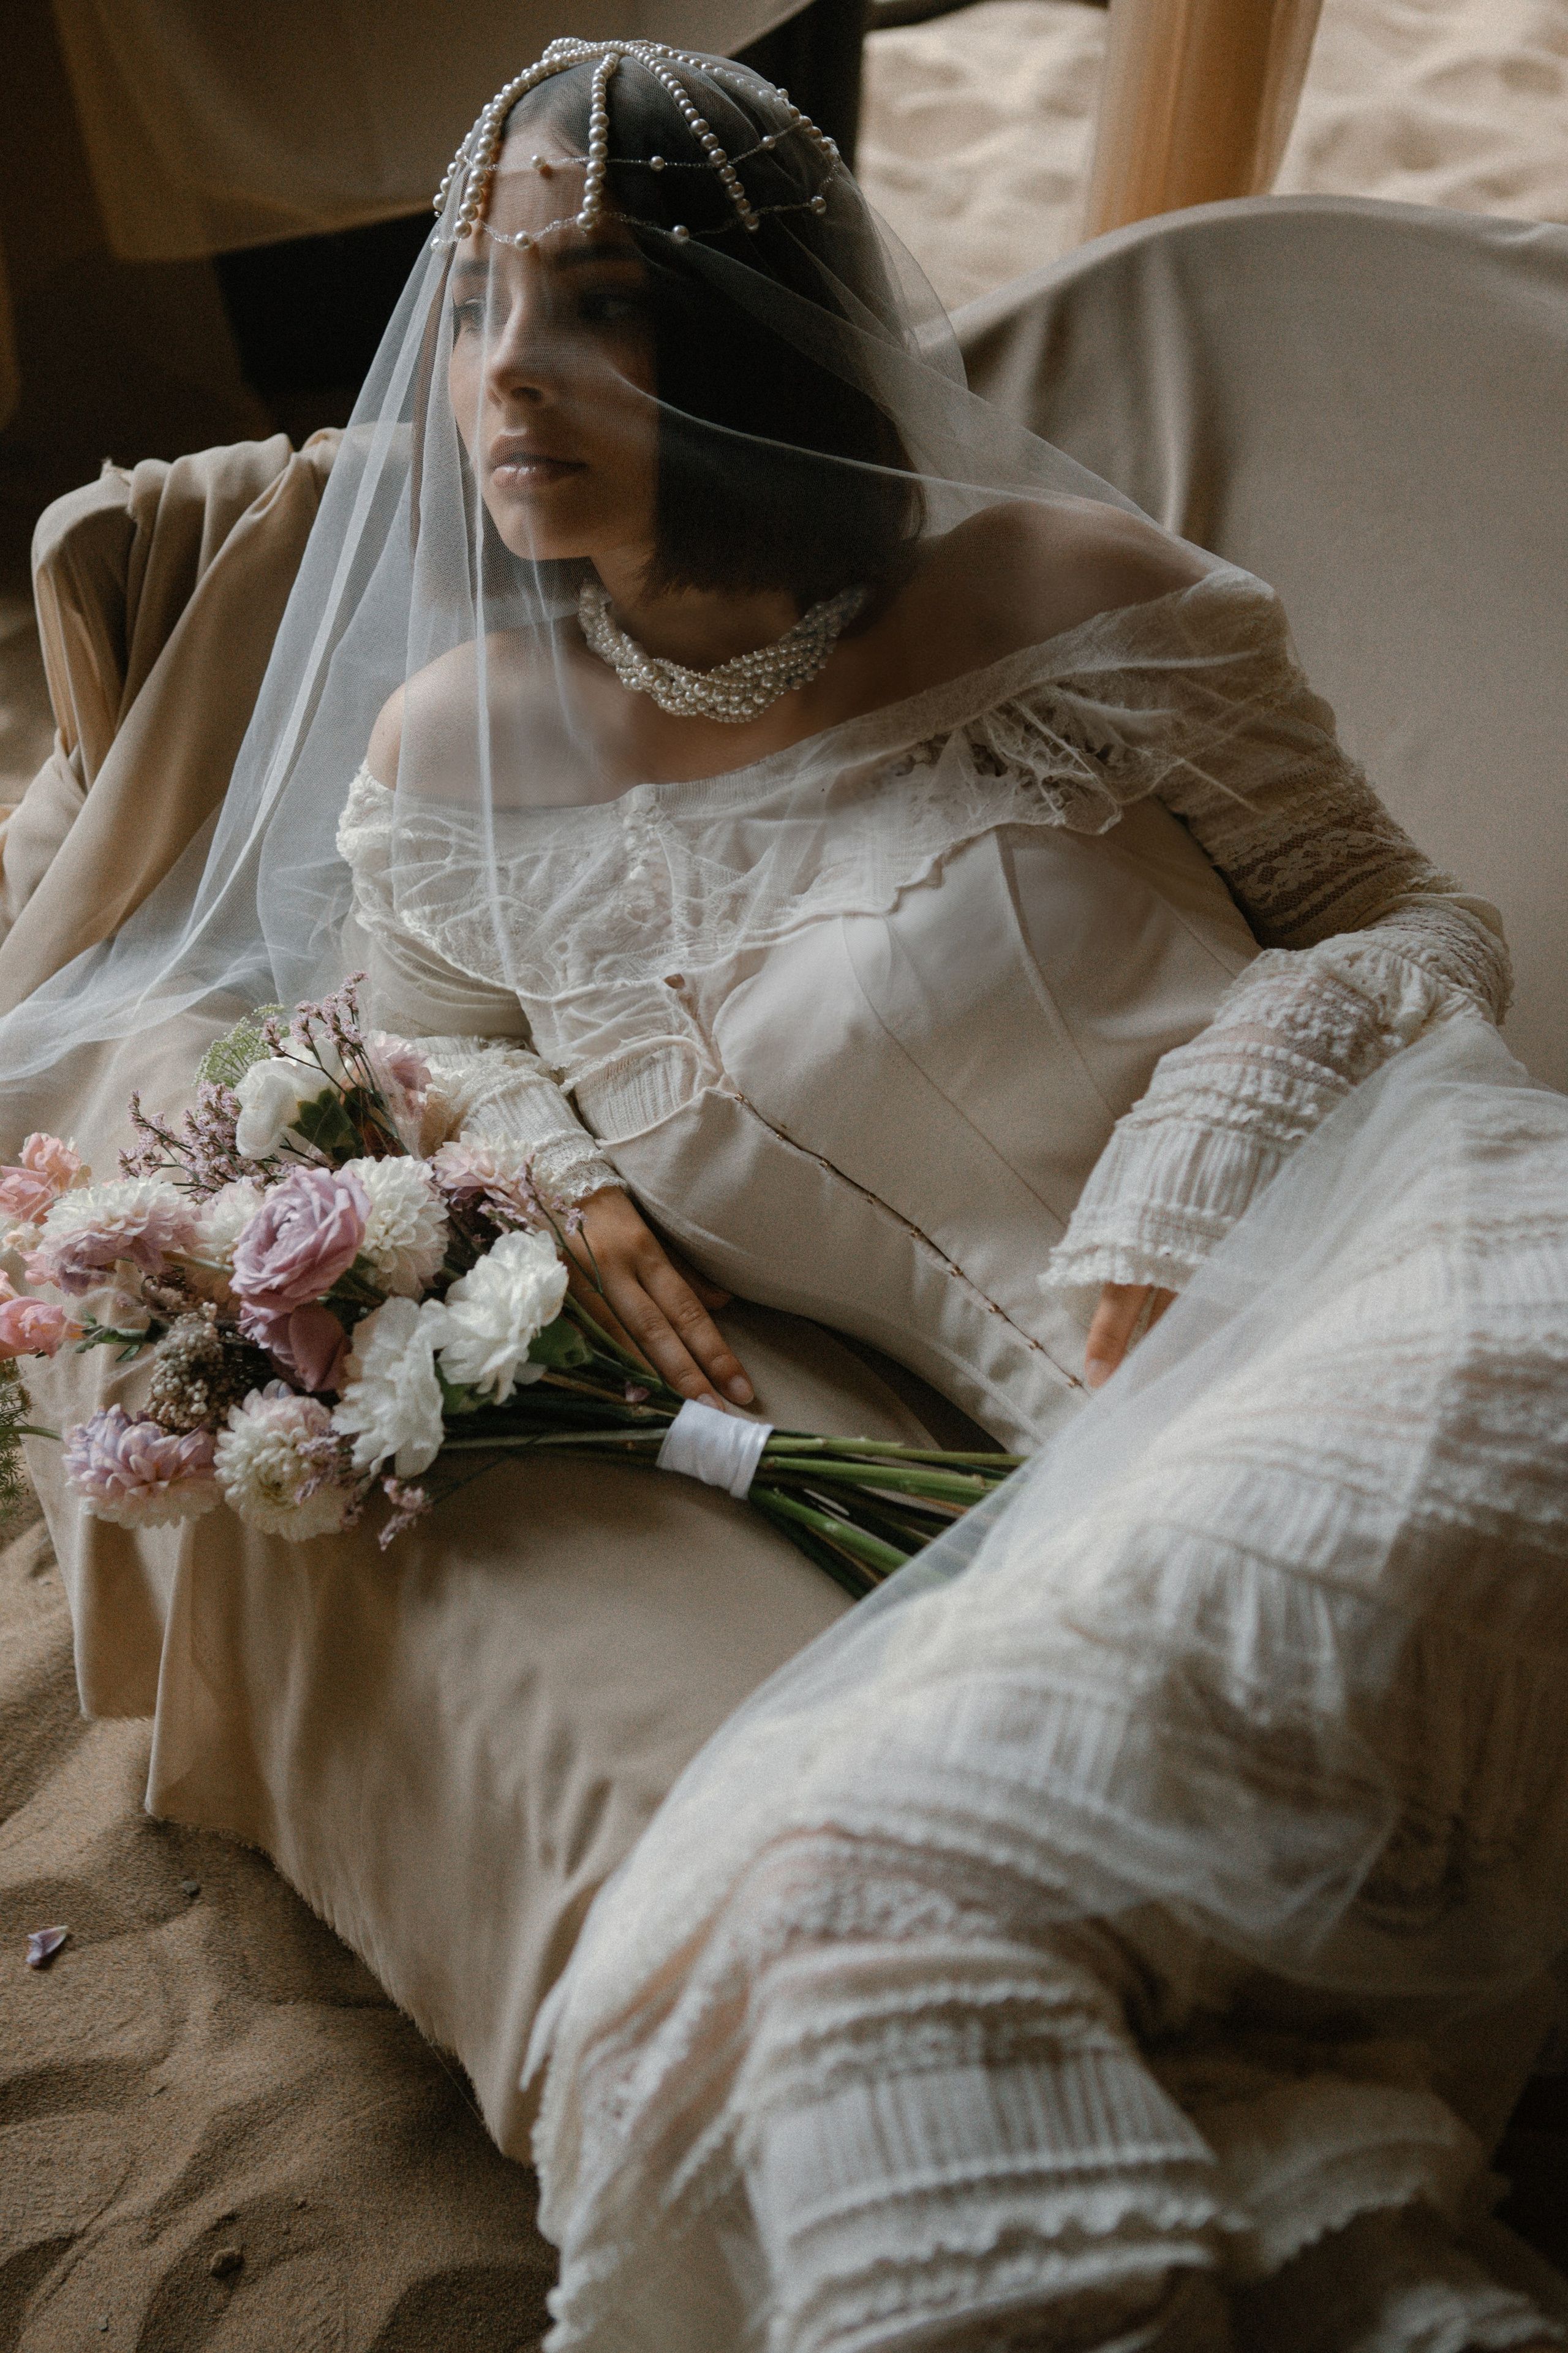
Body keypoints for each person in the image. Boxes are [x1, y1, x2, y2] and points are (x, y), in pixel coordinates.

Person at [4, 37, 1564, 2352]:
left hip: (1428, 1269)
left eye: (601, 301)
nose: (507, 371)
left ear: (751, 331)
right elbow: (436, 1039)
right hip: (1108, 1471)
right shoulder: (456, 762)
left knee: (840, 1907)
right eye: (476, 300)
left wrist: (1195, 1155)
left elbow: (1412, 924)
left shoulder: (1057, 589)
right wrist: (551, 1169)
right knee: (791, 1951)